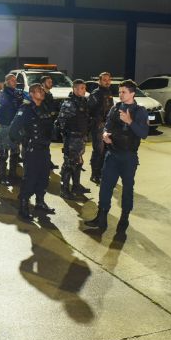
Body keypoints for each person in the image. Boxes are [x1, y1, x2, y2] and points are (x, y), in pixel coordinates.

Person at [84, 81, 148, 232]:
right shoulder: (115, 107)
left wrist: (130, 121)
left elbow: (143, 134)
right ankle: (101, 218)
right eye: (119, 92)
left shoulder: (140, 111)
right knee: (105, 187)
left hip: (128, 157)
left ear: (132, 93)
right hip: (112, 154)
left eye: (124, 92)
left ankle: (124, 219)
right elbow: (107, 125)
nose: (120, 94)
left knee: (127, 189)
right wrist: (105, 134)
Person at [9, 83, 56, 220]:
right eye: (39, 90)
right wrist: (25, 140)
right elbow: (13, 131)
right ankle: (23, 207)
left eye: (42, 90)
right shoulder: (26, 109)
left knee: (43, 177)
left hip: (45, 149)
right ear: (31, 94)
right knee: (30, 178)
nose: (42, 92)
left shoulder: (45, 107)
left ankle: (40, 202)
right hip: (32, 150)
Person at [57, 79, 91, 199]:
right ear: (75, 89)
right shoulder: (69, 103)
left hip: (81, 137)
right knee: (69, 164)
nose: (84, 90)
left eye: (84, 88)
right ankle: (64, 190)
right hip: (71, 138)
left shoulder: (83, 101)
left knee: (78, 162)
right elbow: (61, 121)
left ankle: (76, 186)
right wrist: (67, 136)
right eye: (82, 88)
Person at [0, 73, 25, 183]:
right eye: (12, 80)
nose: (15, 82)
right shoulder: (1, 95)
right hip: (4, 128)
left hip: (15, 128)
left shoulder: (17, 94)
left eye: (15, 80)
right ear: (6, 82)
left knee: (15, 152)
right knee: (3, 153)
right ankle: (2, 177)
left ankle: (13, 174)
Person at [87, 71, 114, 184]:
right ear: (100, 81)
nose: (107, 82)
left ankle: (103, 172)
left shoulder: (108, 92)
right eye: (104, 80)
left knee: (106, 150)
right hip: (98, 126)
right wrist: (97, 122)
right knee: (98, 150)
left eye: (108, 80)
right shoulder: (96, 93)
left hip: (107, 125)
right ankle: (95, 174)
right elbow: (89, 110)